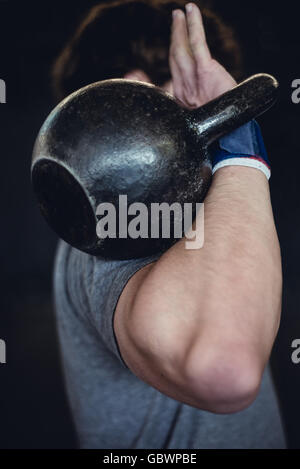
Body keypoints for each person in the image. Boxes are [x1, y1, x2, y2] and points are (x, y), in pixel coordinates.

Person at [52, 0, 286, 448]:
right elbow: (225, 370)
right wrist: (242, 154)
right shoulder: (106, 232)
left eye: (166, 95)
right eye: (122, 100)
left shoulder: (224, 213)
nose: (152, 123)